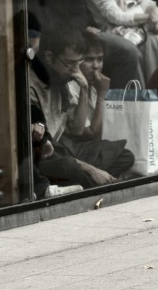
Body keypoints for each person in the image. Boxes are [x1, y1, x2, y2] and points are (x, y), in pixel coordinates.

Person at [30, 28, 134, 188]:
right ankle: (103, 186)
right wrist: (92, 169)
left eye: (78, 64)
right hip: (45, 155)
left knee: (125, 155)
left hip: (65, 150)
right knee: (70, 168)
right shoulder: (32, 85)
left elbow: (77, 129)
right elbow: (47, 145)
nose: (75, 71)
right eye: (70, 63)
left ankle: (89, 184)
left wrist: (84, 88)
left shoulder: (64, 79)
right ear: (49, 57)